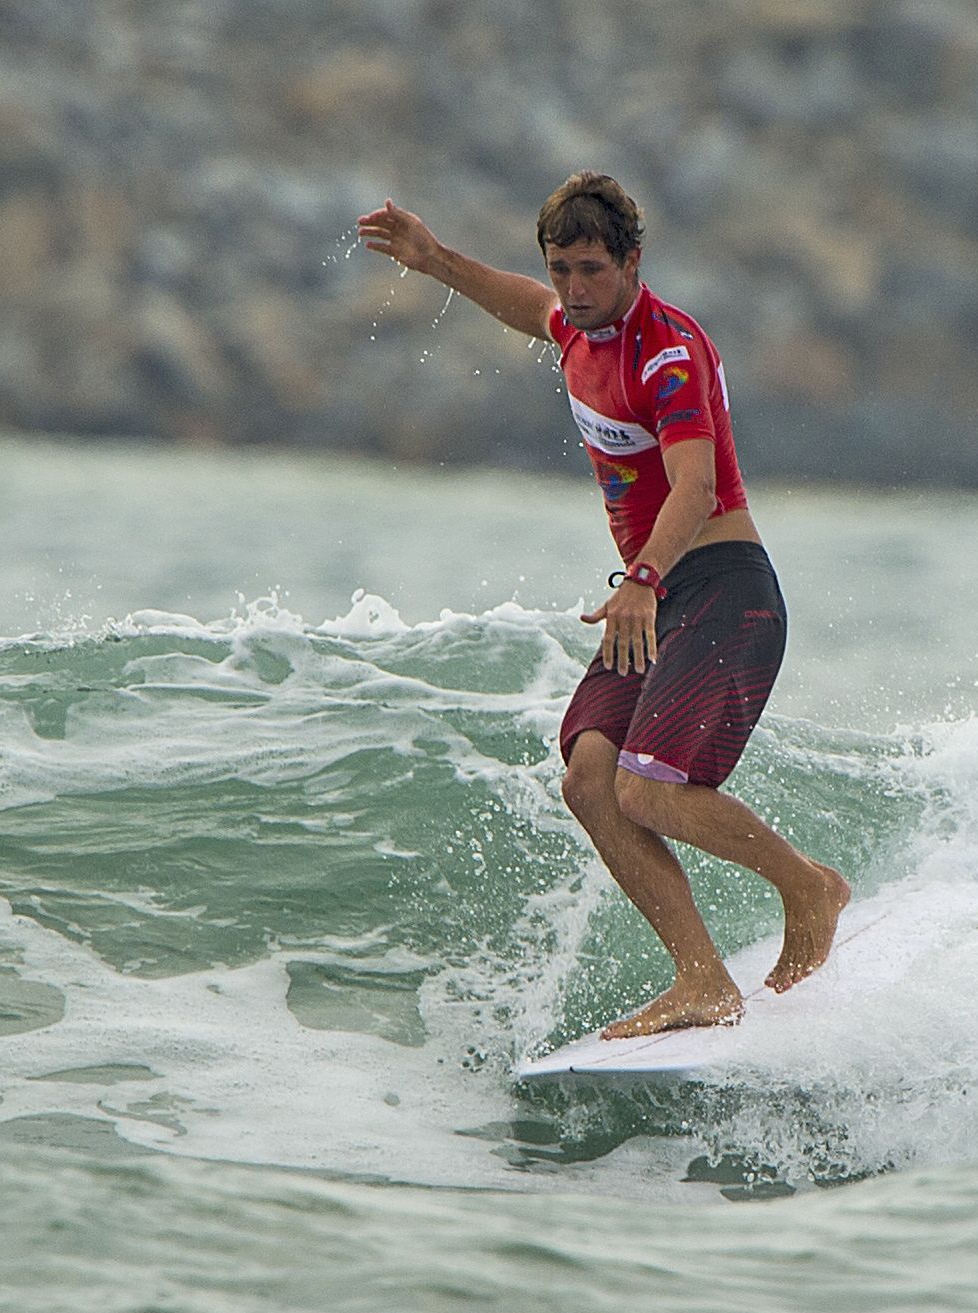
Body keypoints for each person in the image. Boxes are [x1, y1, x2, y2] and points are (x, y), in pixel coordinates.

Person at [357, 172, 847, 1038]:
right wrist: (435, 261)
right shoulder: (575, 327)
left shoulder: (666, 351)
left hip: (721, 588)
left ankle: (807, 886)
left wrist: (643, 582)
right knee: (590, 778)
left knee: (649, 792)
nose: (573, 291)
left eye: (590, 270)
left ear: (631, 262)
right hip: (659, 594)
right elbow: (524, 306)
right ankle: (701, 979)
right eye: (560, 270)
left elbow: (695, 486)